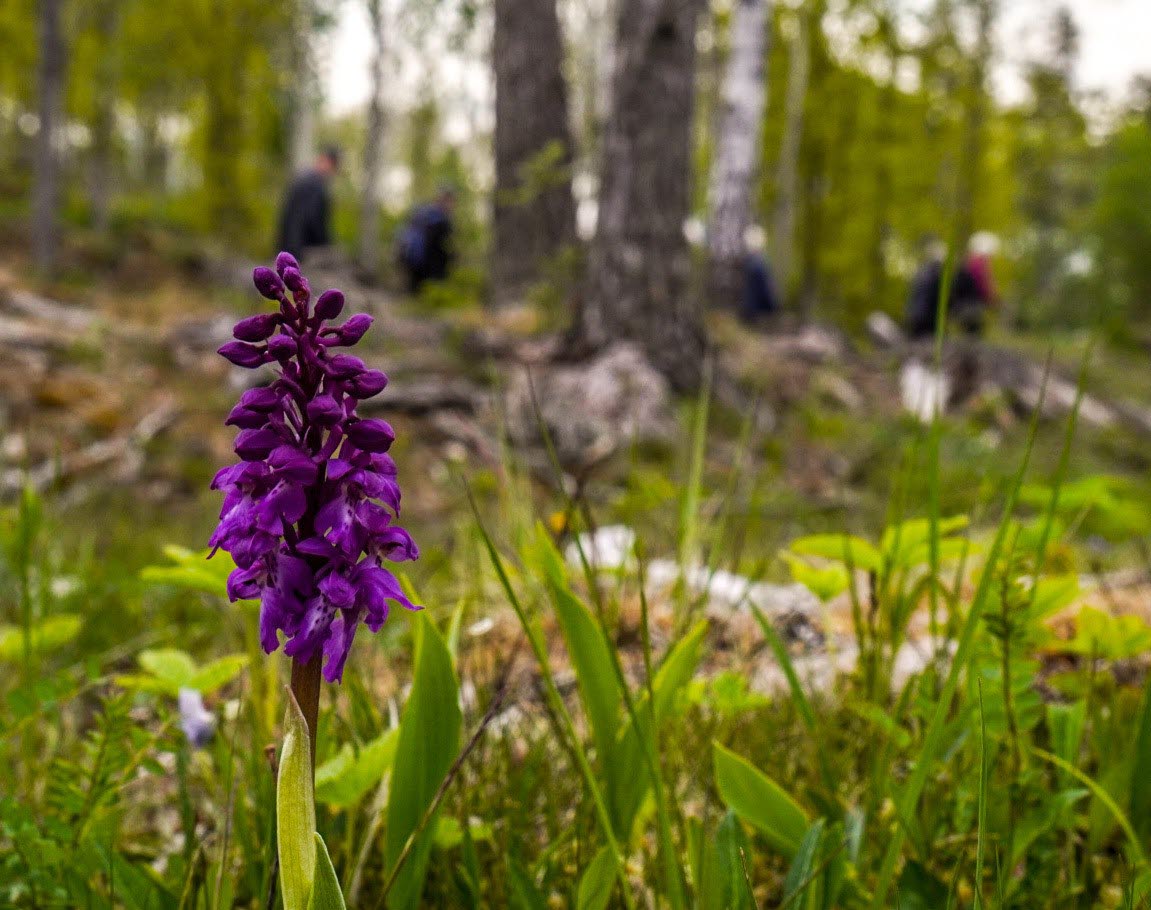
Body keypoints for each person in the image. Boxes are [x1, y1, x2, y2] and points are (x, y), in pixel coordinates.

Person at [275, 146, 341, 262]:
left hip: (287, 247)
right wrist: (325, 243)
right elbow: (314, 219)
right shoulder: (316, 184)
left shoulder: (302, 178)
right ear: (329, 162)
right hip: (299, 250)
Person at [396, 186, 456, 294]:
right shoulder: (441, 221)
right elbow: (440, 249)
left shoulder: (425, 215)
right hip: (428, 270)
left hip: (414, 264)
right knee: (425, 296)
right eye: (450, 200)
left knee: (414, 295)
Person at [951, 231, 999, 336]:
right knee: (973, 333)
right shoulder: (978, 263)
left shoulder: (967, 261)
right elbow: (983, 285)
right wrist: (992, 299)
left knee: (969, 333)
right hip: (970, 306)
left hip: (961, 305)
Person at [905, 236, 947, 340]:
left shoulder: (922, 270)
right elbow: (935, 297)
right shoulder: (937, 273)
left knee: (916, 342)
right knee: (927, 344)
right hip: (927, 316)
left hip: (914, 312)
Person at [740, 225, 781, 324]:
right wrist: (774, 307)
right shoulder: (759, 264)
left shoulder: (745, 263)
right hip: (755, 314)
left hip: (745, 312)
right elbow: (766, 292)